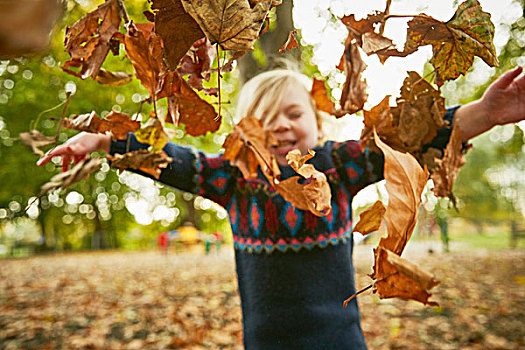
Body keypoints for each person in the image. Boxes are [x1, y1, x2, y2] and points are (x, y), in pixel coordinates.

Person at [37, 66, 525, 349]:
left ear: (315, 123)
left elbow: (408, 142)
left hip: (339, 340)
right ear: (246, 133)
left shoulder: (338, 167)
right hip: (267, 341)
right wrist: (104, 139)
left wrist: (483, 113)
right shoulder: (234, 180)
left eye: (294, 115)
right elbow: (176, 160)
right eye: (266, 121)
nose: (282, 127)